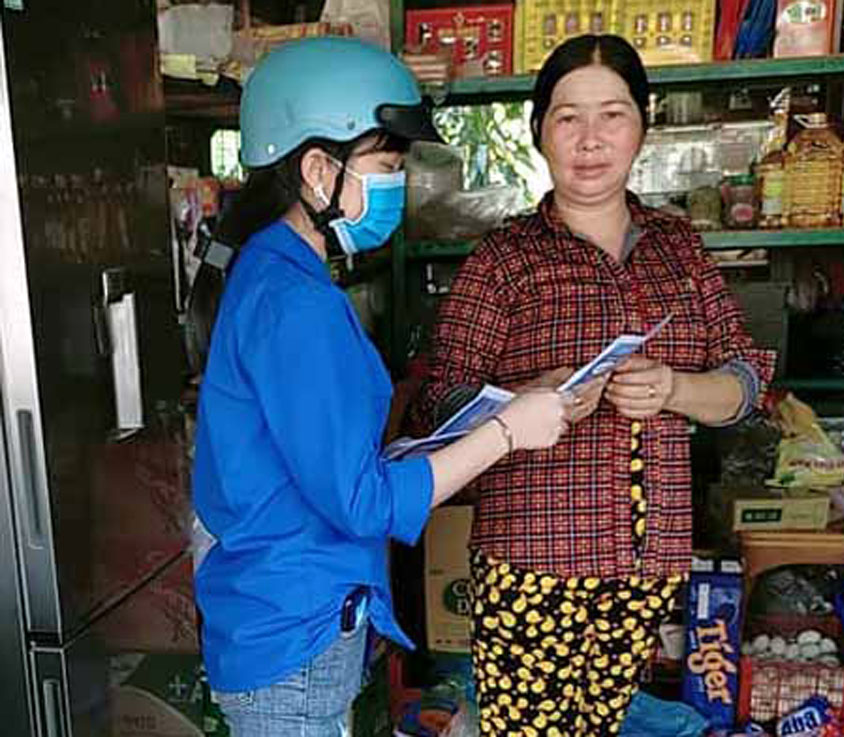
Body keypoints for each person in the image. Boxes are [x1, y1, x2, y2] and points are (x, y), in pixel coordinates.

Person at [190, 37, 569, 737]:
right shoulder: (295, 302)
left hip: (289, 619)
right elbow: (364, 502)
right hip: (294, 634)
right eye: (387, 166)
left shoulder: (278, 274)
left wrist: (502, 411)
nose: (399, 184)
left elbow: (325, 465)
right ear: (317, 169)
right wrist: (508, 432)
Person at [410, 34, 775, 736]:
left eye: (612, 115)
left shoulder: (679, 249)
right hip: (532, 562)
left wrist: (673, 388)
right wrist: (527, 399)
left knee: (604, 725)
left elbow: (746, 379)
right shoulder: (505, 259)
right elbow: (441, 400)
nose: (590, 139)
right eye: (567, 117)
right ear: (539, 130)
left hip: (648, 559)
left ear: (642, 124)